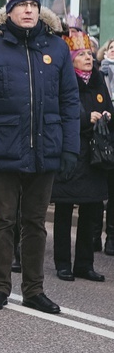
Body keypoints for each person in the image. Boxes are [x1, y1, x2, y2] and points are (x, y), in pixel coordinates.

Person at [0, 0, 79, 314]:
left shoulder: (57, 48)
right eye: (21, 6)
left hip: (45, 149)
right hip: (2, 148)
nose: (28, 11)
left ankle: (34, 290)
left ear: (39, 11)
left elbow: (70, 101)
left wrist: (70, 148)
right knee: (2, 220)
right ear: (9, 11)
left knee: (34, 223)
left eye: (33, 6)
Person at [51, 31, 109, 282]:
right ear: (71, 59)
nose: (88, 58)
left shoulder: (98, 82)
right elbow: (59, 115)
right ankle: (63, 263)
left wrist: (107, 117)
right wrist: (87, 119)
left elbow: (109, 107)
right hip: (72, 155)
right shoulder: (64, 82)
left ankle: (84, 264)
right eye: (82, 54)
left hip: (95, 159)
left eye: (89, 54)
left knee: (92, 211)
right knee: (64, 212)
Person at [97, 38, 114, 255]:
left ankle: (111, 237)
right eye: (112, 48)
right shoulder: (100, 74)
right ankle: (94, 236)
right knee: (102, 188)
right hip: (102, 137)